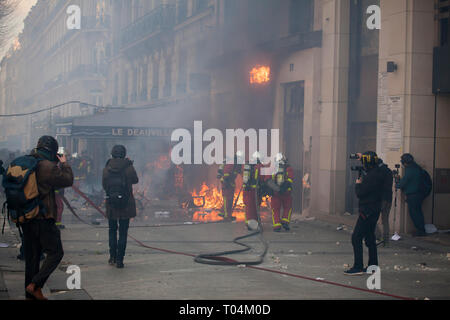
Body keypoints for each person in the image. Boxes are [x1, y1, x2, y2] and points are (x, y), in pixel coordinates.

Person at [21, 136, 74, 300]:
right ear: (52, 150)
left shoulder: (27, 162)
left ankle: (30, 294)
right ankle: (35, 285)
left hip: (26, 217)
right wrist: (64, 163)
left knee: (32, 258)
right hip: (43, 217)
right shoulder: (47, 166)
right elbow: (68, 180)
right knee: (56, 253)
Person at [345, 151, 384, 275]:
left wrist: (358, 184)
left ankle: (358, 266)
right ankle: (373, 265)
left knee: (356, 237)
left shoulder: (370, 177)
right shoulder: (379, 172)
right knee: (370, 238)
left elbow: (360, 193)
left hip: (367, 210)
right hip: (374, 210)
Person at [102, 145, 138, 268]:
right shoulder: (129, 167)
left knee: (112, 230)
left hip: (111, 204)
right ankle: (120, 260)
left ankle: (112, 257)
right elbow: (135, 180)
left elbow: (104, 185)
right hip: (126, 204)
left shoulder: (107, 168)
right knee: (123, 232)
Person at [396, 153, 427, 236]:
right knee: (418, 212)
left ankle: (420, 230)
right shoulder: (417, 168)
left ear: (404, 162)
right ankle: (421, 229)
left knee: (414, 213)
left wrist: (397, 182)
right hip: (420, 193)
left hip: (413, 195)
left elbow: (402, 184)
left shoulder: (410, 170)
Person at [270, 153, 294, 232]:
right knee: (287, 207)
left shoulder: (273, 168)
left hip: (276, 193)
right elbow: (291, 179)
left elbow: (269, 180)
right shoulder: (288, 168)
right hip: (287, 192)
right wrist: (285, 187)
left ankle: (277, 226)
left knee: (275, 209)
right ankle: (285, 221)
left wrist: (276, 189)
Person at [217, 152, 242, 221]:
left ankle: (223, 212)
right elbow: (226, 174)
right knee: (228, 200)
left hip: (229, 183)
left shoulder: (236, 165)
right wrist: (228, 182)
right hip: (227, 183)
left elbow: (239, 172)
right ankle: (227, 216)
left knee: (228, 200)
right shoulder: (232, 164)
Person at [375, 157, 393, 246]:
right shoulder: (388, 171)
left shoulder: (378, 172)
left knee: (373, 218)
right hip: (388, 198)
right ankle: (386, 240)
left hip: (379, 198)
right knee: (385, 220)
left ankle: (377, 236)